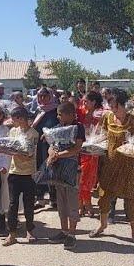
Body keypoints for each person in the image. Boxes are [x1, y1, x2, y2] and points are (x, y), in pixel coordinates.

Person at [89, 88, 134, 246]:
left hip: (129, 166)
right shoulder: (107, 117)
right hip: (109, 164)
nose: (113, 109)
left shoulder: (133, 120)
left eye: (116, 106)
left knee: (131, 199)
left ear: (123, 105)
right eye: (111, 106)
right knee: (104, 195)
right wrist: (92, 144)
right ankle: (102, 225)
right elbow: (102, 135)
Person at [46, 102, 85, 250]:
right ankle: (63, 230)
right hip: (58, 169)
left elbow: (76, 148)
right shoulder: (57, 128)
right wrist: (51, 154)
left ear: (70, 114)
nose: (58, 117)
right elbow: (51, 144)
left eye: (60, 114)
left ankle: (72, 234)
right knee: (61, 202)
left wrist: (58, 155)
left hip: (72, 168)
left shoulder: (78, 127)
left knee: (72, 202)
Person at [2, 107, 39, 246]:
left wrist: (13, 151)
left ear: (21, 118)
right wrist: (6, 149)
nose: (12, 121)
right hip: (14, 172)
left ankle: (30, 231)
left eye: (14, 118)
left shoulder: (33, 133)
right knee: (12, 204)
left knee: (29, 204)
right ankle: (11, 234)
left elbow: (29, 153)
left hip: (28, 173)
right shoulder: (13, 131)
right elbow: (11, 148)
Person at [77, 91, 105, 217]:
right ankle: (81, 205)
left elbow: (102, 132)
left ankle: (86, 205)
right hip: (80, 150)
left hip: (92, 151)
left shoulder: (101, 115)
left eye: (86, 101)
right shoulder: (81, 113)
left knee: (88, 179)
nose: (84, 103)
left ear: (93, 102)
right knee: (80, 178)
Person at [31, 87, 60, 209]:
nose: (43, 98)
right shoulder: (38, 110)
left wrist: (48, 134)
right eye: (40, 96)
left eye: (45, 96)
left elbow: (59, 126)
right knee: (39, 169)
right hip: (38, 146)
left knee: (50, 169)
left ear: (51, 96)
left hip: (50, 146)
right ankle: (40, 197)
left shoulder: (55, 110)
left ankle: (53, 198)